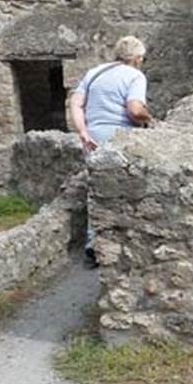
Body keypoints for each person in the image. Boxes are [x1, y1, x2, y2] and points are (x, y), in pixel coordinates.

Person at [69, 35, 154, 265]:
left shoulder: (94, 72)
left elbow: (76, 103)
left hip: (94, 137)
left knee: (97, 189)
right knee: (127, 189)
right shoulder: (135, 76)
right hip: (121, 137)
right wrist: (151, 119)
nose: (142, 62)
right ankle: (126, 245)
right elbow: (134, 110)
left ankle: (93, 245)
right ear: (136, 58)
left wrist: (83, 131)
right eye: (142, 59)